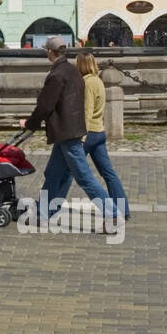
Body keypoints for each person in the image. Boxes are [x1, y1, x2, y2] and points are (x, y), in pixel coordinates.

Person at [23, 37, 110, 225]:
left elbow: (45, 105)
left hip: (66, 132)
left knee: (83, 176)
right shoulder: (73, 71)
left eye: (47, 50)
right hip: (72, 130)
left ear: (50, 52)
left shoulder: (56, 75)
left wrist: (30, 123)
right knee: (53, 173)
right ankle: (44, 214)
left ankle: (111, 214)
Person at [76, 52, 129, 219]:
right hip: (99, 131)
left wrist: (81, 136)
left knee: (74, 170)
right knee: (108, 172)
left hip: (89, 133)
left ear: (82, 65)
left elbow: (87, 110)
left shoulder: (87, 83)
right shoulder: (98, 80)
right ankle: (123, 208)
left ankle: (51, 203)